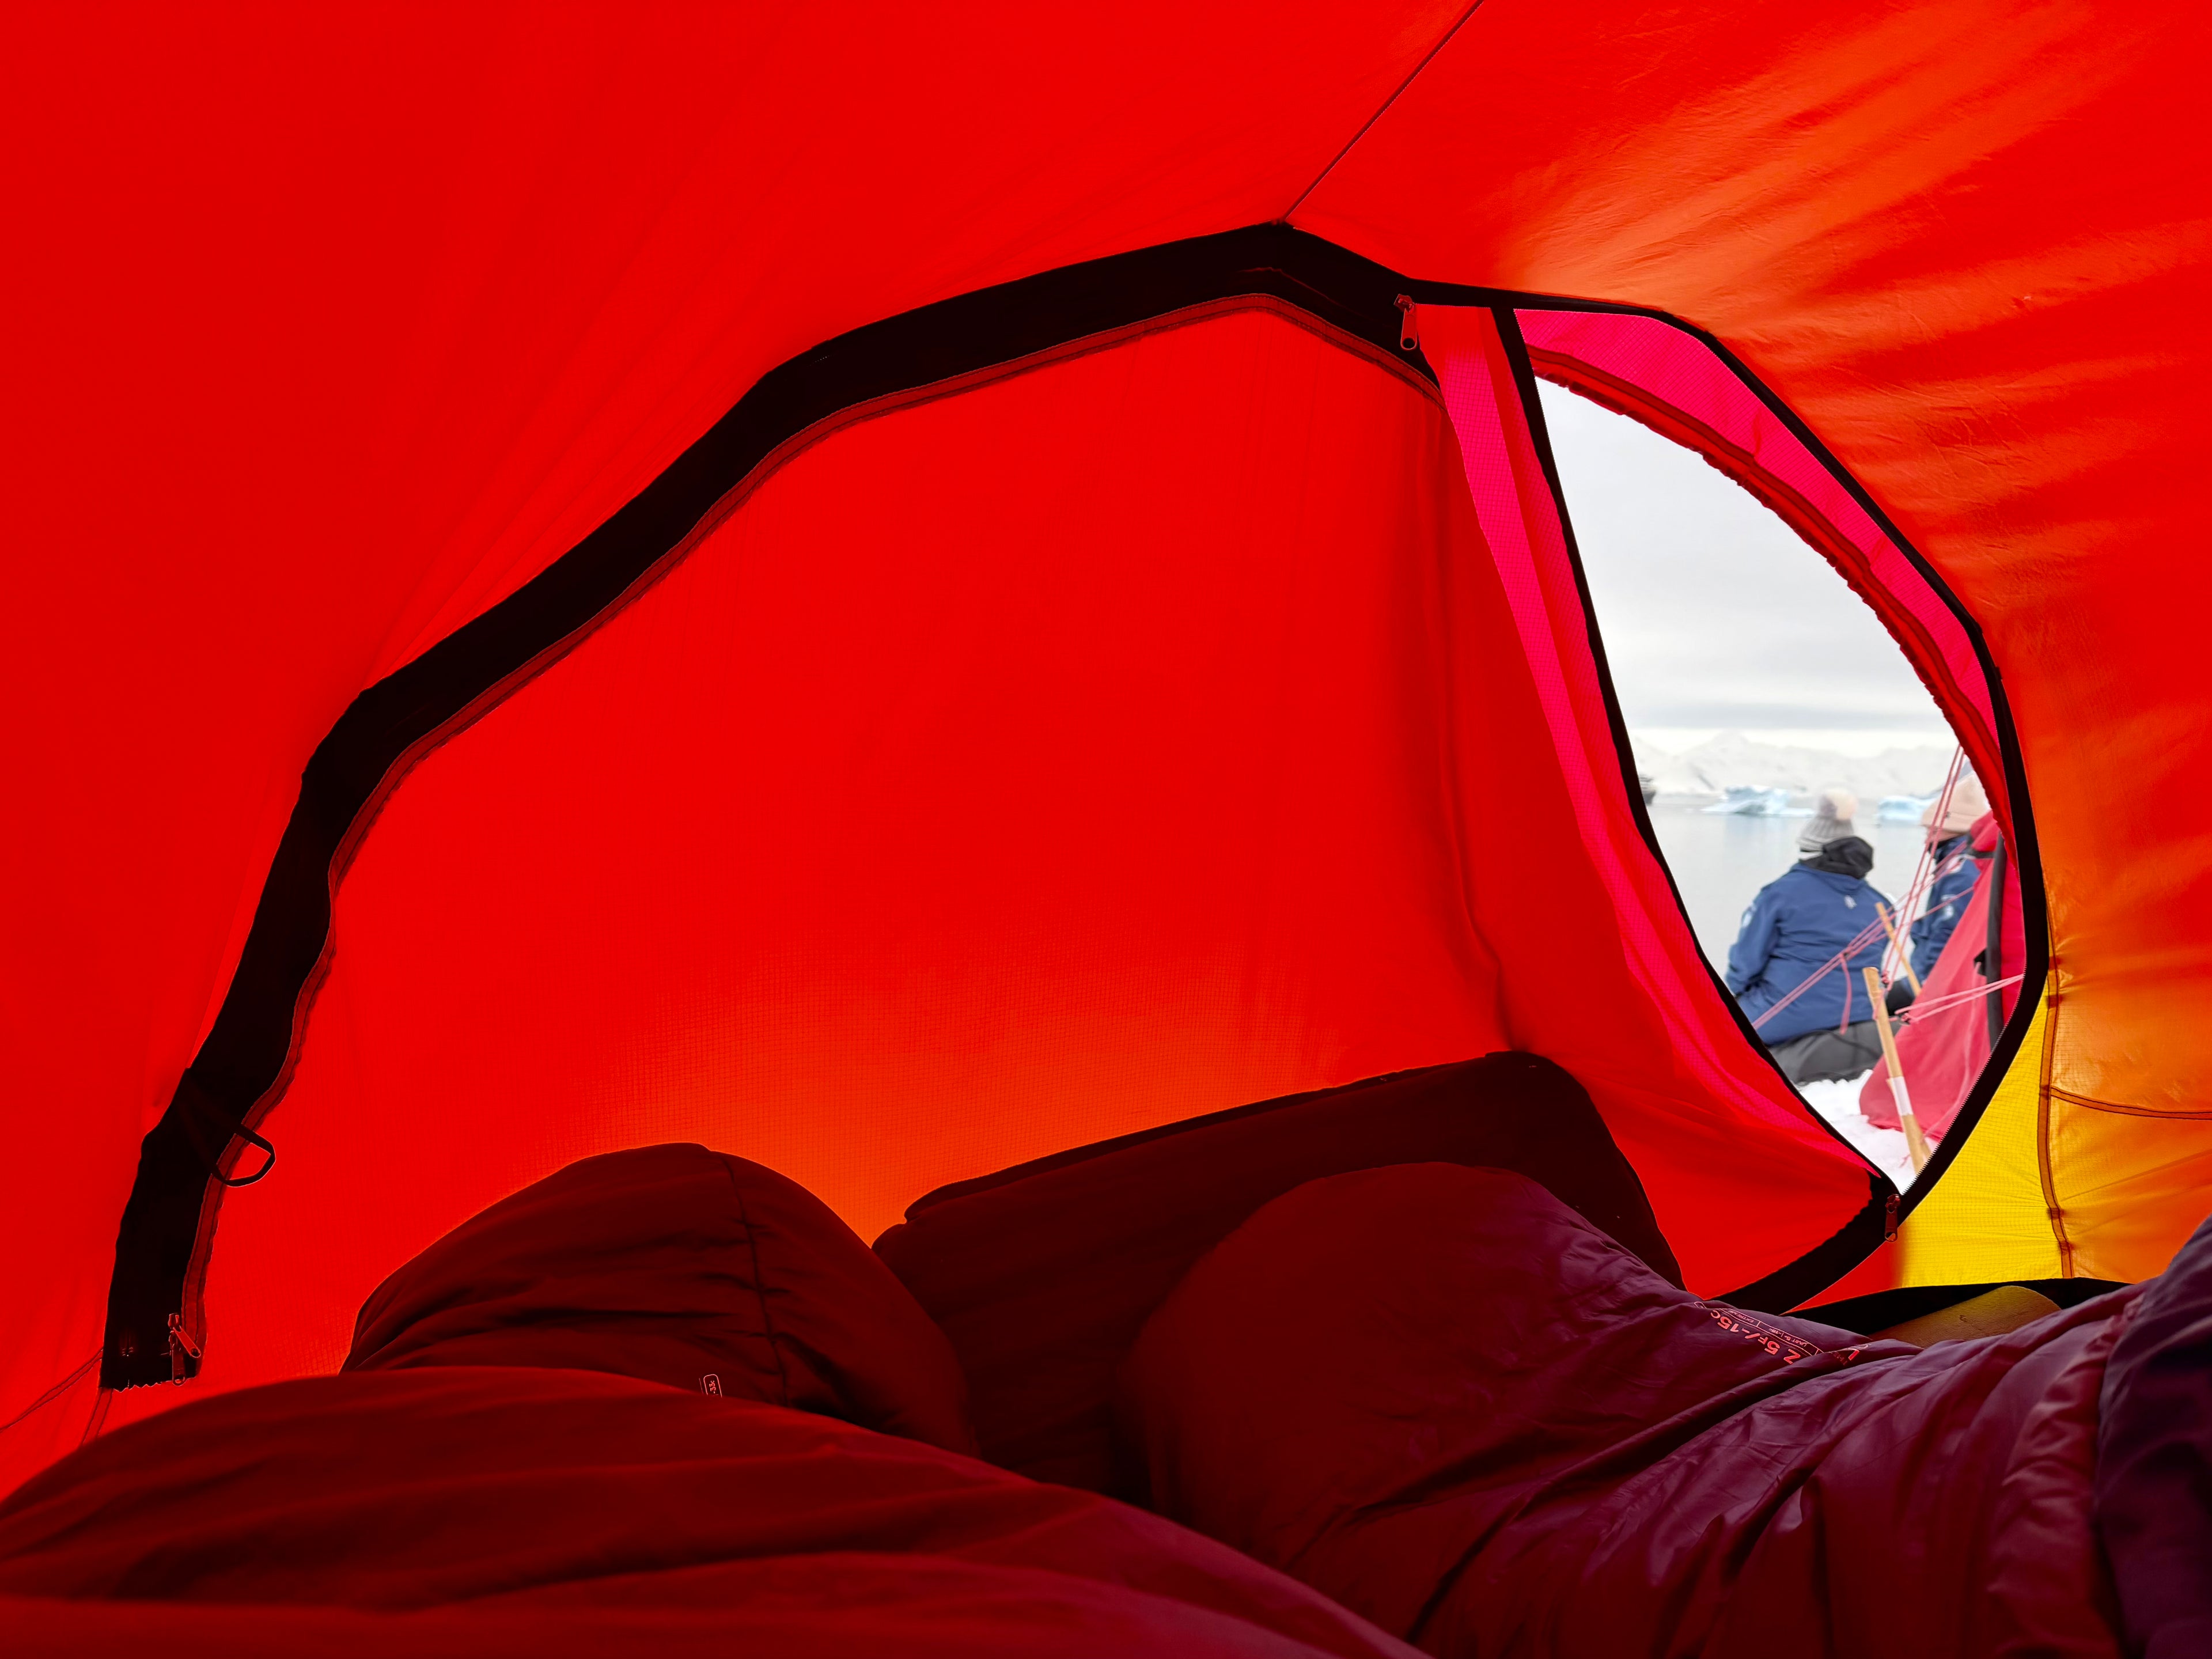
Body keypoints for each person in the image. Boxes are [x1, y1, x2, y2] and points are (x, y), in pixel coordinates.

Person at [1724, 787, 1893, 1084]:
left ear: (1809, 851)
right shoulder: (1881, 904)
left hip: (1786, 1015)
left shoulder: (1779, 895)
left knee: (1716, 1025)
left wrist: (1738, 994)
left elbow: (1745, 964)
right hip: (1862, 1012)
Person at [1909, 775, 1990, 980]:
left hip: (1937, 980)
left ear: (1949, 830)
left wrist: (1928, 984)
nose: (1926, 839)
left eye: (1932, 831)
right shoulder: (1965, 862)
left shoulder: (1960, 870)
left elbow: (1947, 932)